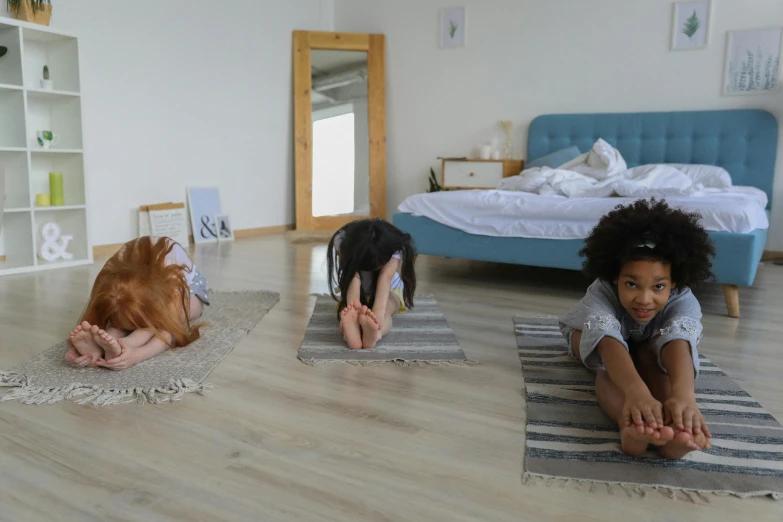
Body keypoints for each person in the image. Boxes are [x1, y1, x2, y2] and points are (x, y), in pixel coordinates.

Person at [559, 199, 715, 459]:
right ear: (615, 277)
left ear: (674, 282)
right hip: (592, 337)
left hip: (649, 341)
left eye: (658, 287)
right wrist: (637, 392)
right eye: (631, 284)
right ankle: (630, 426)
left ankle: (675, 428)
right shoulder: (601, 292)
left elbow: (680, 339)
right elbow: (608, 341)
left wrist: (684, 396)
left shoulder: (683, 298)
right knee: (606, 365)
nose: (644, 299)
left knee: (653, 359)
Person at [65, 236, 209, 371]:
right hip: (152, 290)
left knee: (161, 325)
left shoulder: (172, 278)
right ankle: (103, 344)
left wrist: (136, 356)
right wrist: (82, 351)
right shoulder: (115, 271)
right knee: (122, 320)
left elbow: (170, 330)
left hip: (190, 292)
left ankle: (126, 345)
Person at [326, 218, 416, 349]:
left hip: (390, 289)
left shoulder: (394, 245)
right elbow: (353, 276)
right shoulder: (343, 239)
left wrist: (377, 316)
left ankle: (376, 333)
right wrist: (353, 308)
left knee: (385, 309)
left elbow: (385, 277)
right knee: (346, 311)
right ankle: (351, 332)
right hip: (355, 287)